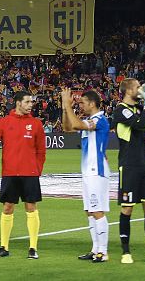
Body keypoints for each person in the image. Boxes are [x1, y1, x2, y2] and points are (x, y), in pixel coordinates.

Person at [0, 91, 46, 259]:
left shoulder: (36, 124)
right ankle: (4, 247)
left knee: (31, 207)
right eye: (27, 102)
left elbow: (41, 151)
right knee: (7, 207)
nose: (31, 104)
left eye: (31, 102)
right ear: (18, 103)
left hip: (30, 174)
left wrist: (36, 170)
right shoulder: (4, 122)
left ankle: (33, 248)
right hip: (10, 173)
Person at [113, 78, 145, 264]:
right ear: (128, 90)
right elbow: (142, 125)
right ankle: (126, 252)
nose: (140, 89)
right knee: (127, 208)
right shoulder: (120, 110)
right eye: (137, 87)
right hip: (128, 166)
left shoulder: (142, 108)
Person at [61, 88, 110, 263]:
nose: (80, 105)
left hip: (97, 171)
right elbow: (67, 127)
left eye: (82, 102)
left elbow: (75, 124)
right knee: (89, 211)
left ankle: (103, 252)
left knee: (97, 210)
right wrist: (64, 107)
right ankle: (95, 249)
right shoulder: (89, 120)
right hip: (88, 172)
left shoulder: (100, 120)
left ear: (92, 103)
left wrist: (68, 105)